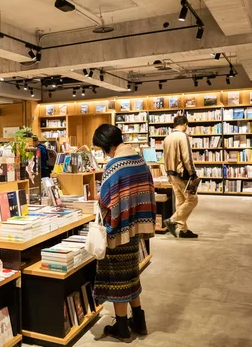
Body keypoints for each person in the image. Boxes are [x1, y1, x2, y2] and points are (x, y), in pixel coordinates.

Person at [92, 124, 155, 342]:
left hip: (118, 230)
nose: (104, 152)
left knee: (117, 279)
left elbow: (105, 200)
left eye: (102, 148)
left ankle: (122, 328)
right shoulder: (139, 160)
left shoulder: (114, 165)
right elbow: (149, 188)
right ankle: (139, 321)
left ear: (108, 145)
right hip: (136, 226)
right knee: (131, 274)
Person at [163, 115, 200, 238]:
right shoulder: (182, 136)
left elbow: (164, 157)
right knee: (192, 200)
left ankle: (183, 230)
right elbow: (187, 157)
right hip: (181, 175)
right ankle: (173, 220)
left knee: (180, 201)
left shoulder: (167, 138)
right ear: (185, 125)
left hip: (170, 174)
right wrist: (193, 174)